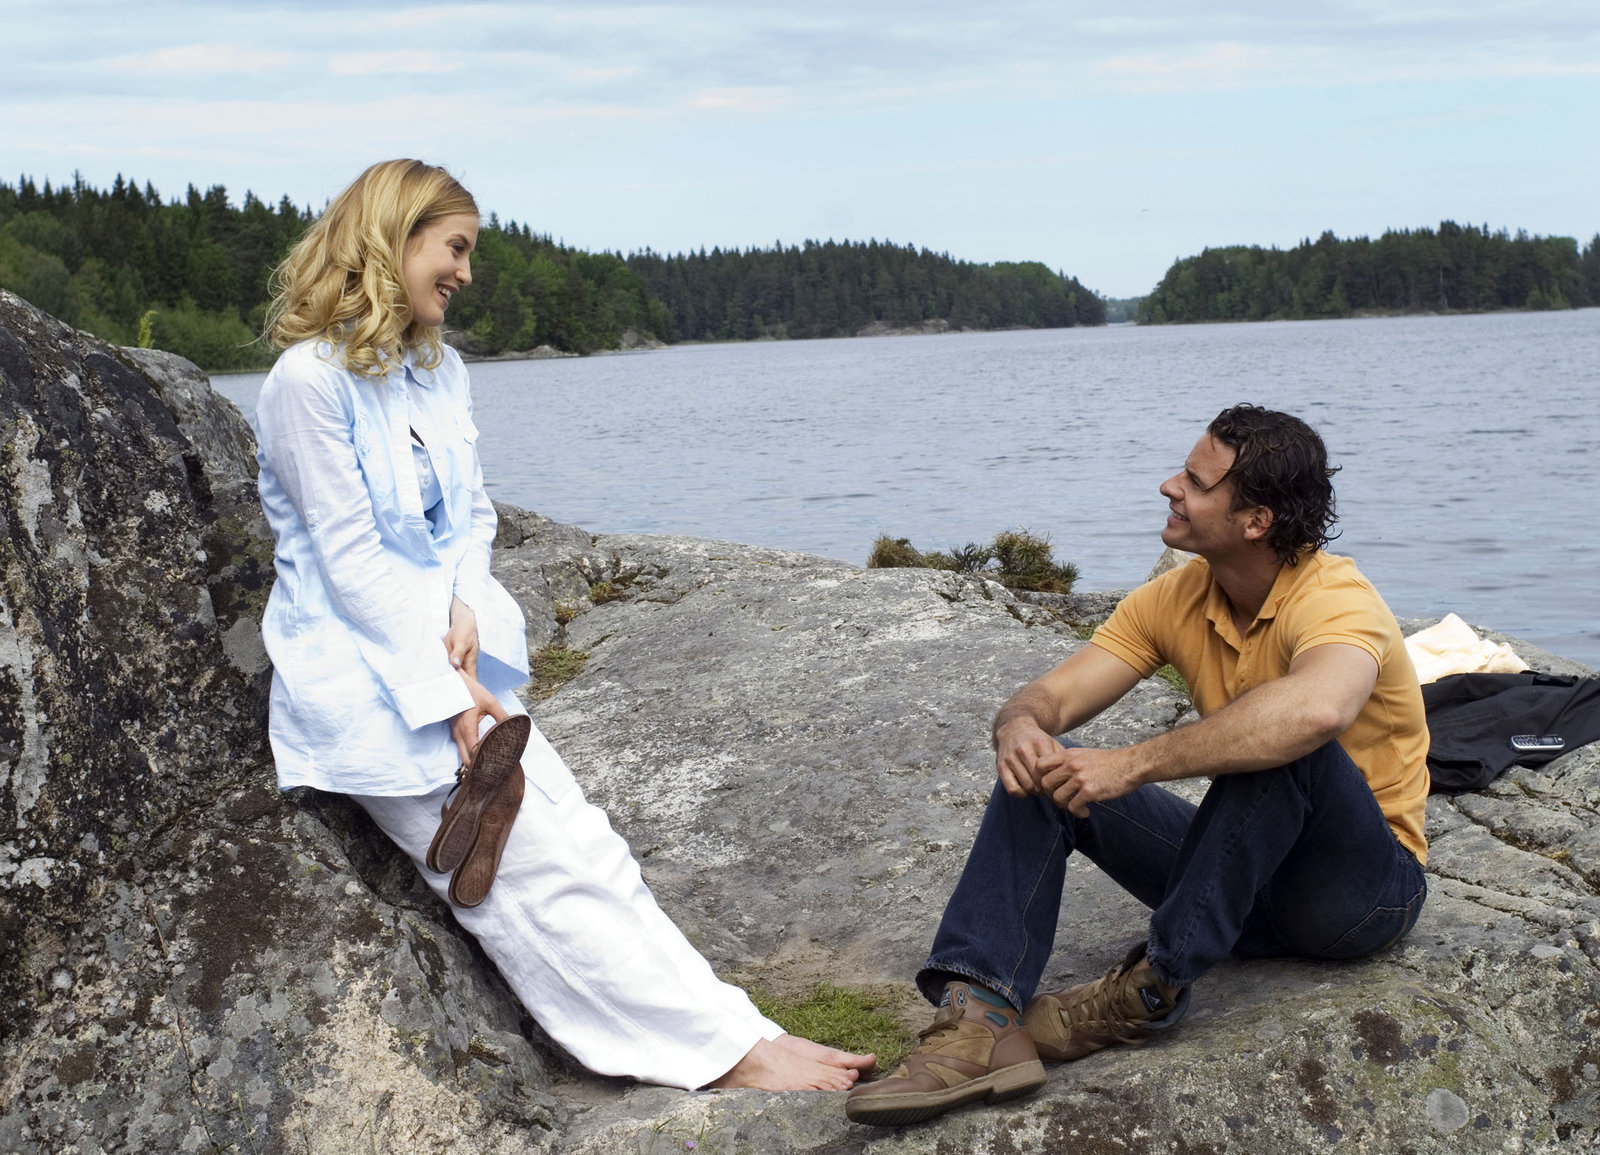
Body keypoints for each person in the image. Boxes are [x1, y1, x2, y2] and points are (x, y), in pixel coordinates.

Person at [255, 159, 873, 1093]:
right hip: (371, 683)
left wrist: (465, 605)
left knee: (587, 844)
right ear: (394, 236)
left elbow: (469, 518)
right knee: (531, 873)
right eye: (455, 248)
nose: (466, 273)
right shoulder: (306, 383)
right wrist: (447, 694)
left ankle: (739, 1029)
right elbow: (352, 565)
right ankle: (716, 1057)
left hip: (453, 656)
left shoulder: (437, 371)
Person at [846, 405, 1429, 1126]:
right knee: (1049, 772)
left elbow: (1318, 710)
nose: (1168, 486)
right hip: (1242, 888)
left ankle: (1152, 987)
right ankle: (981, 1020)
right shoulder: (1177, 596)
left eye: (1195, 481)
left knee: (1290, 743)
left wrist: (1134, 764)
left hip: (1358, 896)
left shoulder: (1337, 598)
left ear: (1256, 520)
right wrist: (1021, 726)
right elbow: (1053, 696)